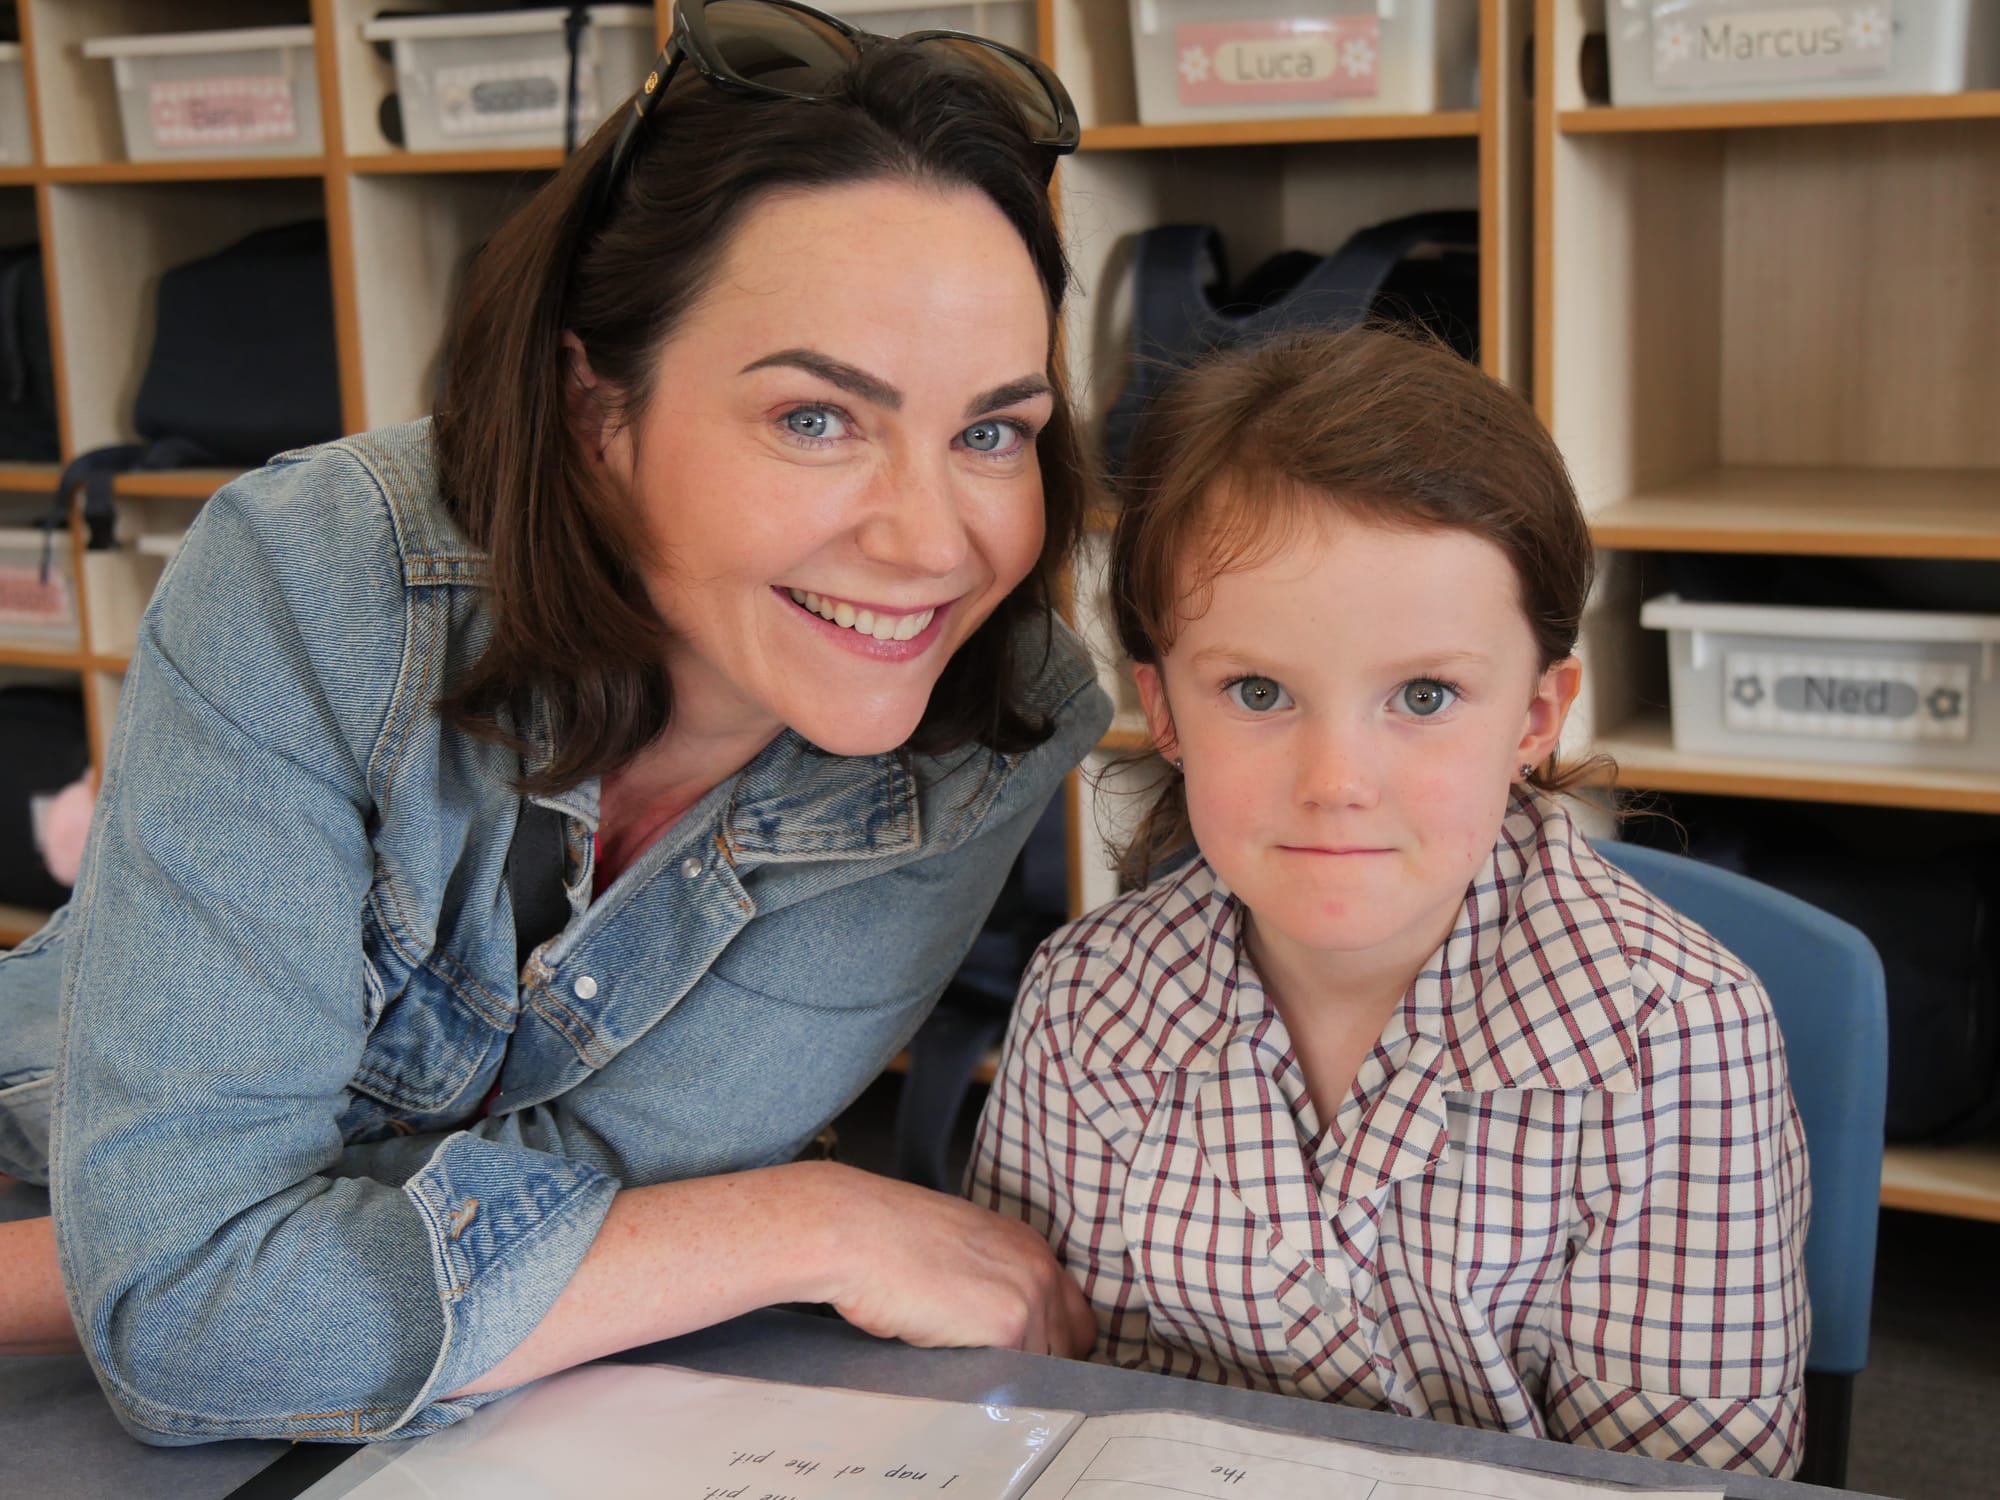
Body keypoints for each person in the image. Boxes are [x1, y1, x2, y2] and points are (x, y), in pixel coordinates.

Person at [0, 1, 1109, 1444]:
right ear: (599, 405)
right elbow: (193, 1314)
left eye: (990, 432)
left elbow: (599, 1206)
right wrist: (810, 1221)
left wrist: (221, 1266)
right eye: (817, 419)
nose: (930, 542)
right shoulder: (322, 575)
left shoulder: (992, 728)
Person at [967, 326, 1812, 1477]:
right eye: (1256, 690)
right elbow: (1033, 1415)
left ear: (1533, 714)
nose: (1335, 784)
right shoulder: (1081, 1001)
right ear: (1163, 709)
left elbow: (1675, 1490)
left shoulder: (1671, 1038)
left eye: (1423, 693)